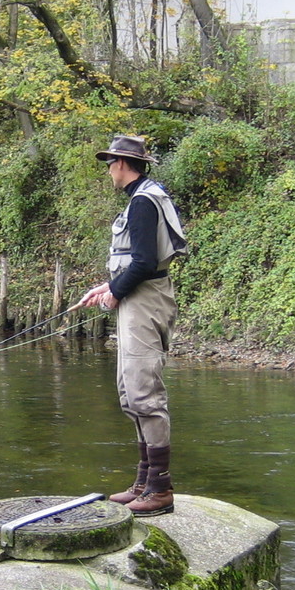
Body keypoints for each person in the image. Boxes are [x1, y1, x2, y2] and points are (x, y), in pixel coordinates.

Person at [78, 134, 187, 515]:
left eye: (109, 163)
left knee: (143, 392)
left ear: (122, 164)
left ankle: (160, 489)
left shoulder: (143, 202)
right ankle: (144, 480)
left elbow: (143, 263)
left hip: (145, 301)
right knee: (129, 391)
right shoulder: (145, 196)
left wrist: (115, 292)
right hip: (137, 298)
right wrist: (107, 287)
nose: (108, 171)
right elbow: (138, 261)